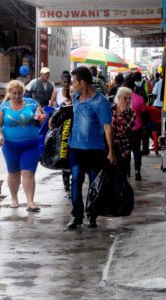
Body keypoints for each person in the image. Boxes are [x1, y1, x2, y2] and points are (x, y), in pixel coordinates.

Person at [66, 66, 114, 230]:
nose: (72, 85)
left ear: (83, 82)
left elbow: (108, 128)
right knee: (76, 181)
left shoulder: (101, 102)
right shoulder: (76, 96)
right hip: (75, 148)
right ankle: (76, 216)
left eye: (74, 82)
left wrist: (111, 152)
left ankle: (92, 215)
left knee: (95, 183)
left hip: (94, 150)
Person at [0, 80, 46, 211]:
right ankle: (14, 198)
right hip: (10, 145)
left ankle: (30, 202)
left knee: (28, 173)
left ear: (23, 92)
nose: (17, 96)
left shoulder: (32, 103)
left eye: (19, 93)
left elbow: (43, 114)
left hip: (30, 145)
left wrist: (43, 117)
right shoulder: (4, 107)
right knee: (13, 172)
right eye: (14, 93)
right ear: (9, 93)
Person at [123, 77, 147, 180]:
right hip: (137, 128)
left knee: (126, 150)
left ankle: (127, 170)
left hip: (125, 129)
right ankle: (137, 171)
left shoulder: (121, 99)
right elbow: (144, 114)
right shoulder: (140, 99)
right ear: (134, 86)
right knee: (136, 150)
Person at [111, 87, 135, 177]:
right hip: (110, 148)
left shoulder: (131, 113)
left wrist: (121, 112)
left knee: (122, 176)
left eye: (129, 98)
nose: (128, 101)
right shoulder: (110, 110)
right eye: (125, 98)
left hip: (123, 149)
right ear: (118, 98)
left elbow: (122, 131)